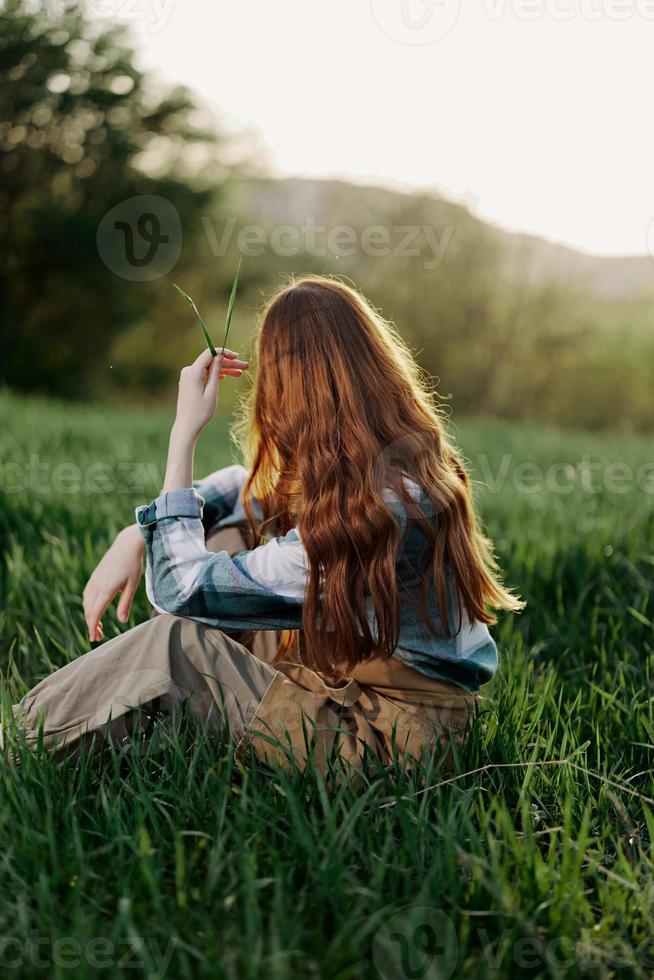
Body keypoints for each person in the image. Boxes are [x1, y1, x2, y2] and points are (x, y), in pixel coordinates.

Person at [4, 276, 523, 774]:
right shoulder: (395, 472)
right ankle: (114, 731)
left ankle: (17, 745)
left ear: (293, 393)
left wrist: (182, 437)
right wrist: (135, 533)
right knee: (231, 533)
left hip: (384, 741)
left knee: (177, 643)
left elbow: (177, 590)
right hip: (370, 692)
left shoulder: (373, 517)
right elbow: (243, 488)